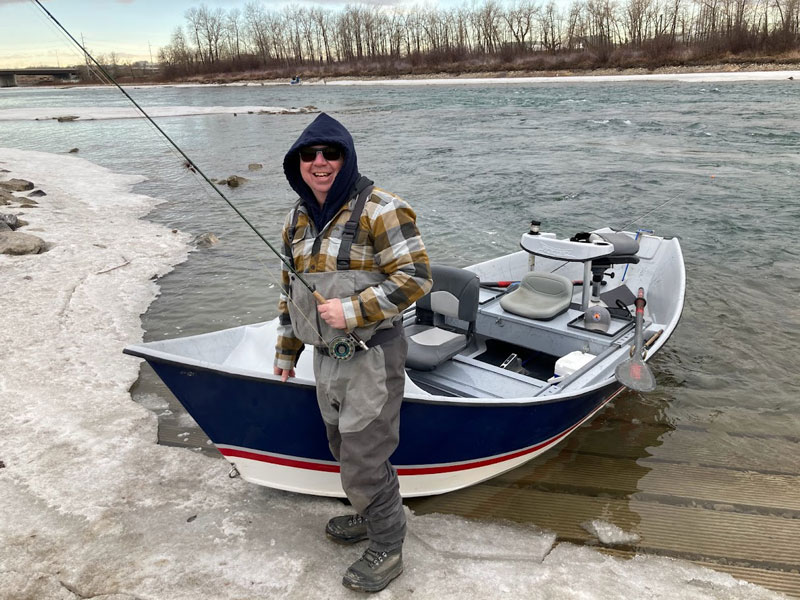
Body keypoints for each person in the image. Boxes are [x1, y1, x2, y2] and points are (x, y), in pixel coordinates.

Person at [273, 113, 432, 593]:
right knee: (343, 449)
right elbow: (289, 294)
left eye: (330, 154)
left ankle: (389, 542)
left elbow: (417, 277)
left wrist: (357, 309)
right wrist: (287, 352)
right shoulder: (296, 220)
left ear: (346, 158)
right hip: (325, 359)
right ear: (297, 163)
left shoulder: (384, 209)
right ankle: (370, 513)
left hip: (372, 358)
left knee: (365, 455)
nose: (320, 164)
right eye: (309, 155)